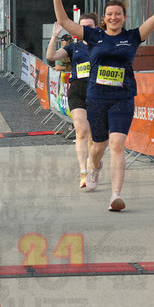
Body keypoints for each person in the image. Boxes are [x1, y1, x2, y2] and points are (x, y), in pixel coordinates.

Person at [52, 0, 154, 211]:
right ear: (104, 18)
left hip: (123, 97)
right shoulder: (94, 36)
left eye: (118, 14)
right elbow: (65, 21)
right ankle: (94, 167)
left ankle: (115, 195)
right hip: (96, 97)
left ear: (124, 17)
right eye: (109, 14)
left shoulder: (132, 37)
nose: (113, 17)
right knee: (99, 146)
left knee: (118, 144)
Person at [46, 13, 99, 188]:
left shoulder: (103, 44)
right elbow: (51, 56)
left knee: (94, 137)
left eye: (90, 26)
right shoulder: (74, 47)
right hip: (77, 90)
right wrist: (55, 35)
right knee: (81, 131)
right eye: (83, 26)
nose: (86, 30)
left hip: (97, 92)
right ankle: (83, 172)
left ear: (96, 27)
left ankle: (94, 166)